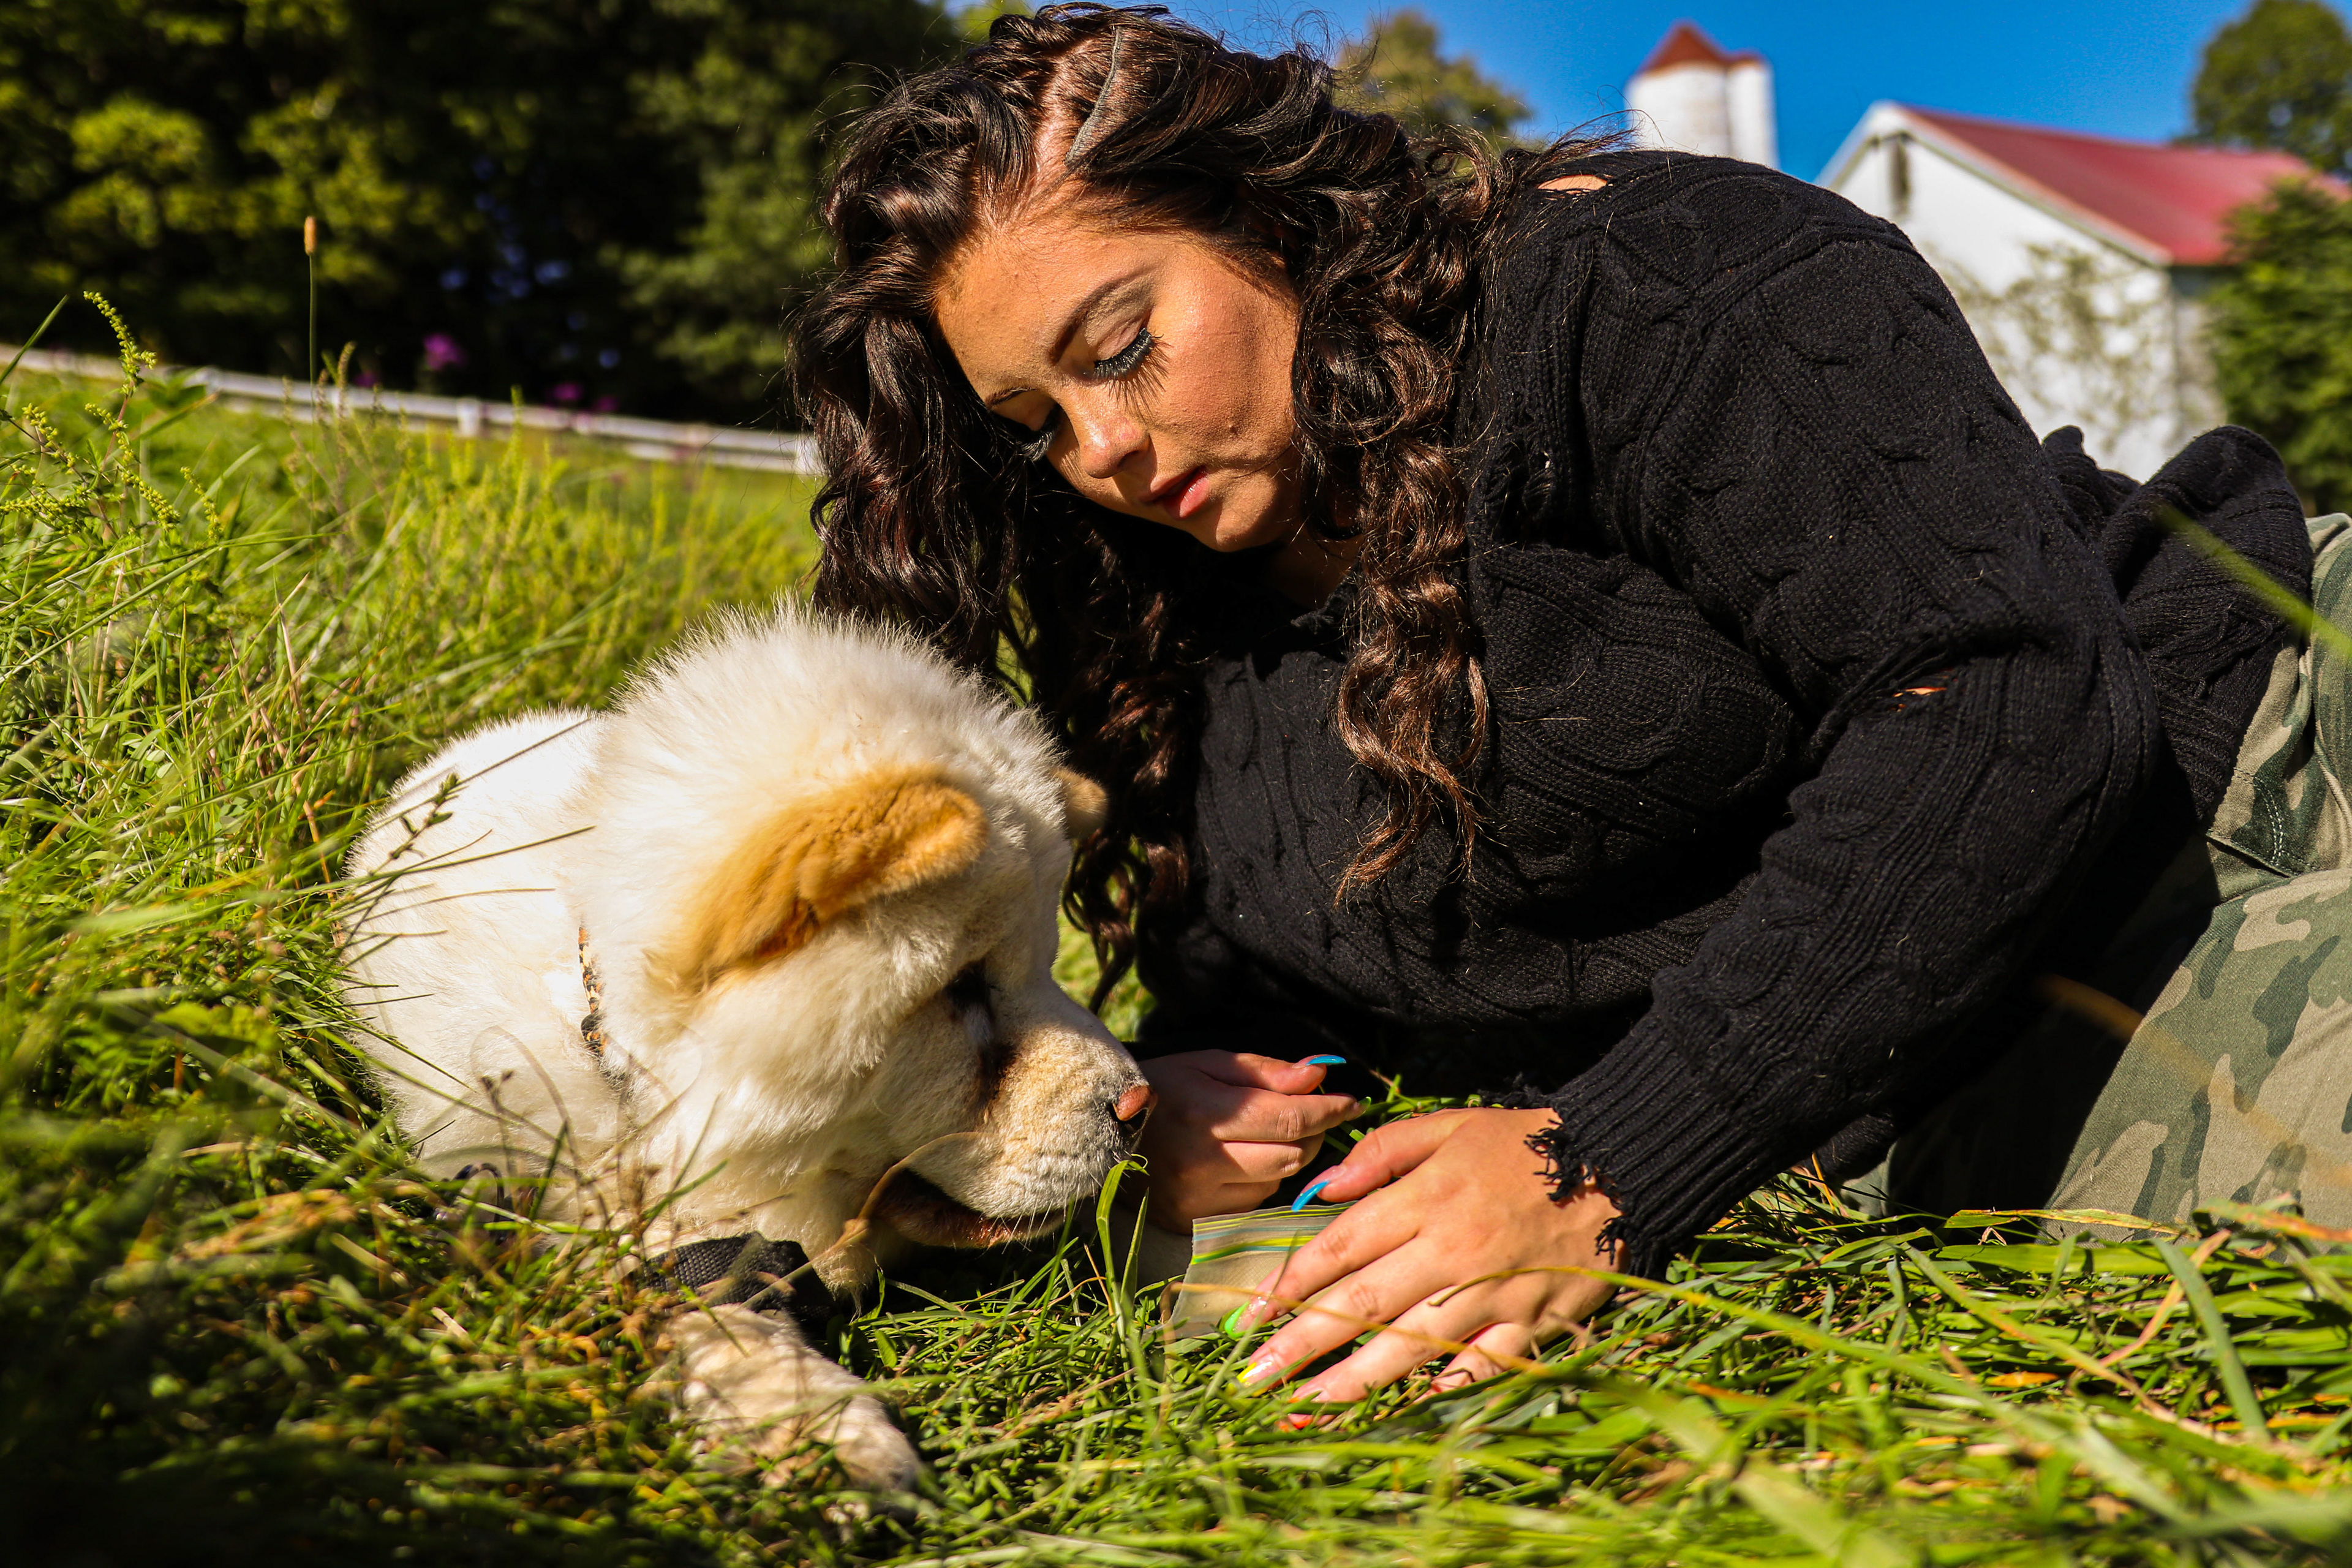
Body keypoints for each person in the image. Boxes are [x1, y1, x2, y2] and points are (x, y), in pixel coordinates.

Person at [794, 3, 2326, 1403]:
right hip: (1930, 1041)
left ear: (1263, 214)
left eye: (1123, 347)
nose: (1100, 449)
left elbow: (1999, 698)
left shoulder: (1645, 281)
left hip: (2242, 728)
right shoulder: (1152, 593)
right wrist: (1186, 1107)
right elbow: (1289, 966)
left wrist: (1604, 1161)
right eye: (1034, 421)